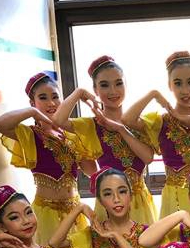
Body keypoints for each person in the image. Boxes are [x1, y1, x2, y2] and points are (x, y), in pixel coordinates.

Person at [0, 72, 96, 245]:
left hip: (75, 213)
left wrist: (80, 144)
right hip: (46, 214)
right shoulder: (31, 134)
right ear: (32, 102)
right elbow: (0, 124)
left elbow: (91, 171)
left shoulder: (72, 133)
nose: (51, 103)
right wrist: (32, 112)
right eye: (43, 98)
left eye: (55, 97)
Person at [53, 55, 156, 224]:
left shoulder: (137, 122)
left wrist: (121, 129)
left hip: (139, 203)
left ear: (126, 85)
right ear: (95, 90)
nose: (113, 91)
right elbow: (58, 120)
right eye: (104, 85)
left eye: (118, 83)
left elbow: (148, 157)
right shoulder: (92, 125)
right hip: (108, 203)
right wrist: (79, 92)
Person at [122, 51, 190, 217]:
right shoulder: (161, 121)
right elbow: (127, 119)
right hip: (173, 199)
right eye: (178, 83)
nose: (185, 90)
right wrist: (154, 94)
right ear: (170, 85)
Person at [49, 168, 150, 248]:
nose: (116, 199)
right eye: (108, 194)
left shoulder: (144, 232)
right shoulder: (95, 233)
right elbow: (54, 243)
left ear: (130, 195)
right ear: (100, 201)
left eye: (122, 191)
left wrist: (115, 235)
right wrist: (80, 208)